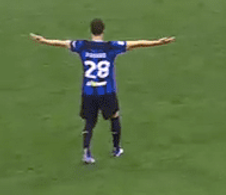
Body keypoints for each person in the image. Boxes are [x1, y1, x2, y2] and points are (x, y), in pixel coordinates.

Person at [30, 19, 175, 164]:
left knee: (89, 121)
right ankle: (116, 149)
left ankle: (86, 152)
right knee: (114, 116)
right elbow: (137, 44)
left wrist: (44, 41)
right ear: (103, 30)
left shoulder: (82, 46)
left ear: (91, 30)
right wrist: (158, 42)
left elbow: (62, 43)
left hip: (88, 92)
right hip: (107, 91)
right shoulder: (111, 47)